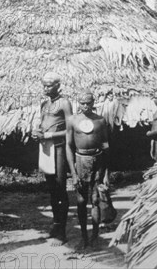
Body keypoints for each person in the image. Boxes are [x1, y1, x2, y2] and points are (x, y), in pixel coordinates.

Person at [31, 72, 72, 244]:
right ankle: (55, 225)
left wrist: (50, 135)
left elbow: (71, 130)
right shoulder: (44, 104)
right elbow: (42, 124)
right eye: (44, 85)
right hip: (46, 148)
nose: (46, 88)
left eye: (49, 85)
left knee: (60, 187)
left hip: (59, 148)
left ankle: (62, 231)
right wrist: (37, 132)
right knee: (52, 189)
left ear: (58, 85)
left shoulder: (64, 103)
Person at [66, 91, 110, 249]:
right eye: (82, 103)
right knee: (81, 201)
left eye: (88, 103)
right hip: (80, 161)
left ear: (93, 103)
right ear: (78, 102)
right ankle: (83, 236)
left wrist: (106, 173)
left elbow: (105, 146)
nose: (85, 106)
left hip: (98, 161)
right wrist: (73, 173)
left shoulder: (100, 121)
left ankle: (95, 236)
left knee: (96, 200)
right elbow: (69, 146)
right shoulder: (72, 120)